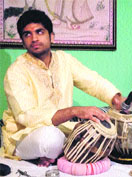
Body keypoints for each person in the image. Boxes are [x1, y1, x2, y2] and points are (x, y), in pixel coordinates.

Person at [0, 9, 124, 167]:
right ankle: (56, 150)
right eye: (27, 34)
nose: (34, 38)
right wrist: (74, 111)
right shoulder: (16, 71)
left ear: (51, 36)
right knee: (50, 138)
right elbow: (26, 117)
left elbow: (92, 80)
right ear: (23, 42)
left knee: (98, 129)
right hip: (24, 135)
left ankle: (55, 152)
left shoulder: (64, 60)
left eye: (39, 32)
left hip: (61, 129)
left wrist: (115, 98)